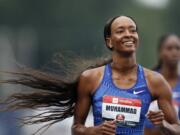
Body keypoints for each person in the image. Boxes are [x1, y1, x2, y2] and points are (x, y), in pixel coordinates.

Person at [1, 16, 180, 135]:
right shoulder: (91, 79)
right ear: (109, 41)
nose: (128, 35)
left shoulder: (155, 81)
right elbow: (76, 128)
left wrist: (163, 125)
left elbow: (177, 128)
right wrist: (94, 131)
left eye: (132, 30)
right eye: (120, 31)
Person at [144, 34, 180, 135]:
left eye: (178, 48)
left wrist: (165, 124)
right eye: (169, 48)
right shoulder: (148, 80)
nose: (174, 52)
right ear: (160, 52)